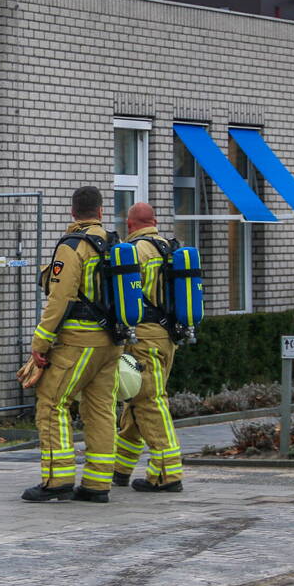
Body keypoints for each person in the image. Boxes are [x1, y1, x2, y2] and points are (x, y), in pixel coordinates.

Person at [22, 185, 122, 504]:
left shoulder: (73, 245)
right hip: (112, 342)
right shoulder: (114, 243)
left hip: (79, 342)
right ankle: (97, 484)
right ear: (101, 212)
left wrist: (41, 341)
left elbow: (59, 297)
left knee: (52, 403)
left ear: (72, 212)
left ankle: (57, 479)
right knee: (101, 409)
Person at [111, 202, 183, 492]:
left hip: (143, 339)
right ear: (154, 220)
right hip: (168, 338)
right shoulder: (170, 248)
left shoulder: (135, 252)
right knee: (137, 402)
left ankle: (168, 474)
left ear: (130, 225)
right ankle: (121, 468)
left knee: (151, 403)